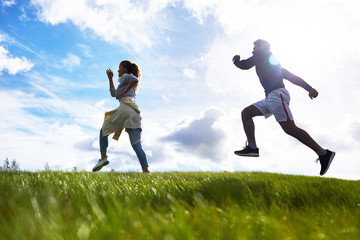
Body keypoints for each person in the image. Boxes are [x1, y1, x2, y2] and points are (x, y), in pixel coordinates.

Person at [232, 39, 335, 176]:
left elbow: (245, 65)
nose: (253, 49)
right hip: (271, 97)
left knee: (289, 128)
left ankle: (324, 153)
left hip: (277, 95)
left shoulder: (262, 54)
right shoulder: (274, 63)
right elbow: (292, 77)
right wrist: (309, 88)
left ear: (262, 47)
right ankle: (252, 147)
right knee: (246, 113)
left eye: (255, 46)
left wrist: (236, 61)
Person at [92, 60, 149, 173]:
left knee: (104, 130)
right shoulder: (124, 81)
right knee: (136, 145)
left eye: (119, 67)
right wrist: (110, 79)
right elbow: (114, 93)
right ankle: (146, 171)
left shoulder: (126, 76)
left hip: (125, 107)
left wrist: (123, 93)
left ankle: (103, 158)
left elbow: (135, 79)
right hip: (135, 113)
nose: (118, 70)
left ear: (125, 69)